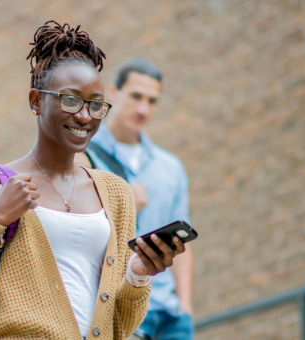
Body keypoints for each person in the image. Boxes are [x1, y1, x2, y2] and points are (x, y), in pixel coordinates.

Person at [0, 21, 186, 340]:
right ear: (35, 101)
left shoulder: (116, 194)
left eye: (96, 104)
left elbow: (119, 328)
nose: (85, 116)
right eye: (70, 100)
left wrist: (138, 276)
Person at [74, 58, 195, 340]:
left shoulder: (170, 167)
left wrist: (186, 308)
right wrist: (126, 204)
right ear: (114, 93)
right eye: (136, 97)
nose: (143, 109)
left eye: (152, 101)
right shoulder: (83, 154)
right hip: (119, 307)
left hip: (170, 314)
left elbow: (184, 246)